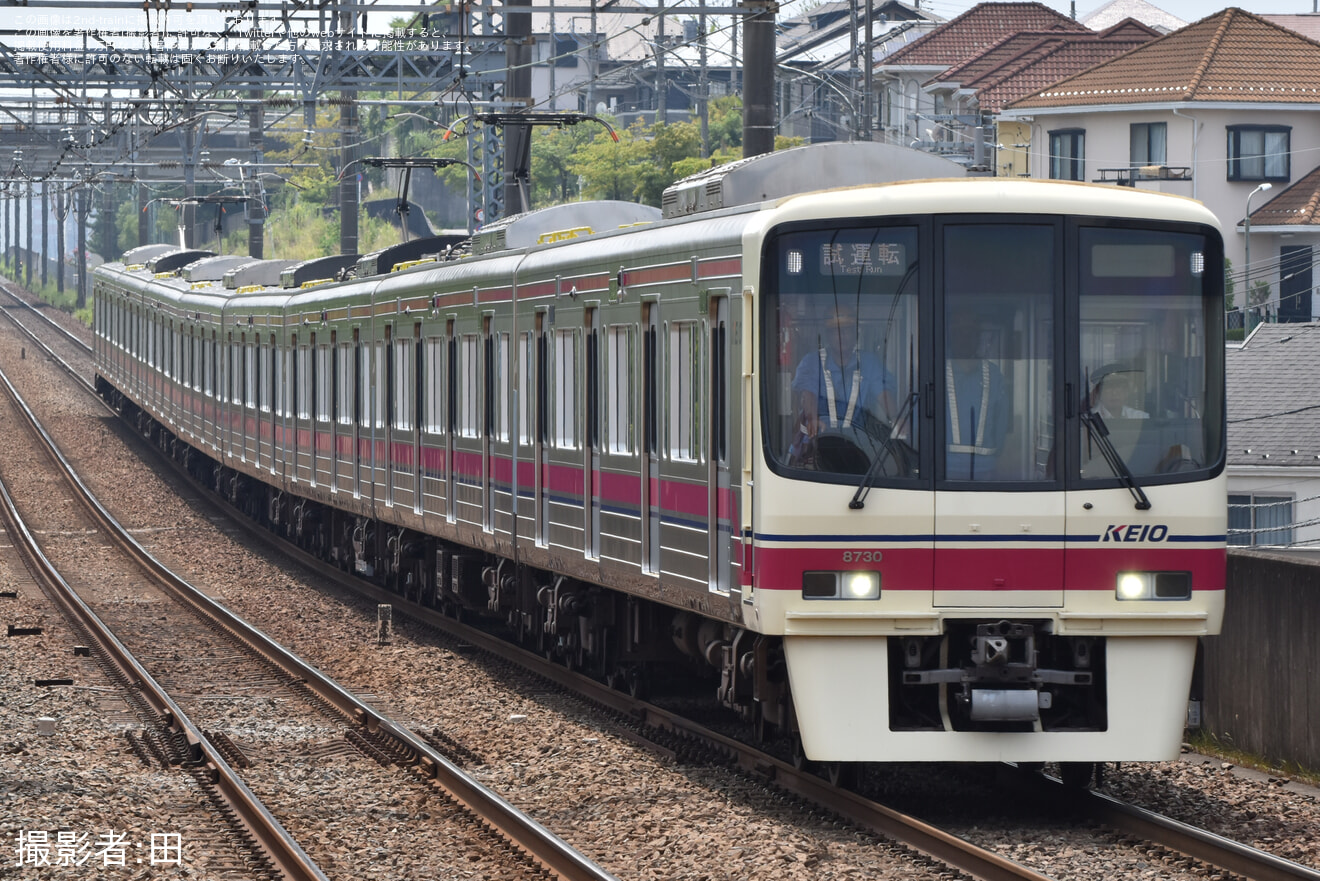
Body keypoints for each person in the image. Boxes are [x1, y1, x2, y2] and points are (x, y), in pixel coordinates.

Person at [790, 303, 896, 464]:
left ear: (855, 333)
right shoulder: (812, 362)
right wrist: (812, 417)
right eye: (835, 332)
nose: (841, 336)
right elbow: (807, 392)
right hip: (818, 445)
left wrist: (896, 419)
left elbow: (884, 393)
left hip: (858, 447)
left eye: (847, 330)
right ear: (827, 335)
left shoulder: (869, 363)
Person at [944, 312, 1009, 479]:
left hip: (964, 470)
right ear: (951, 337)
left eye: (969, 334)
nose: (964, 339)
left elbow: (1002, 420)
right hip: (944, 471)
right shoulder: (993, 374)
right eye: (960, 333)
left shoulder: (994, 375)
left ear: (978, 338)